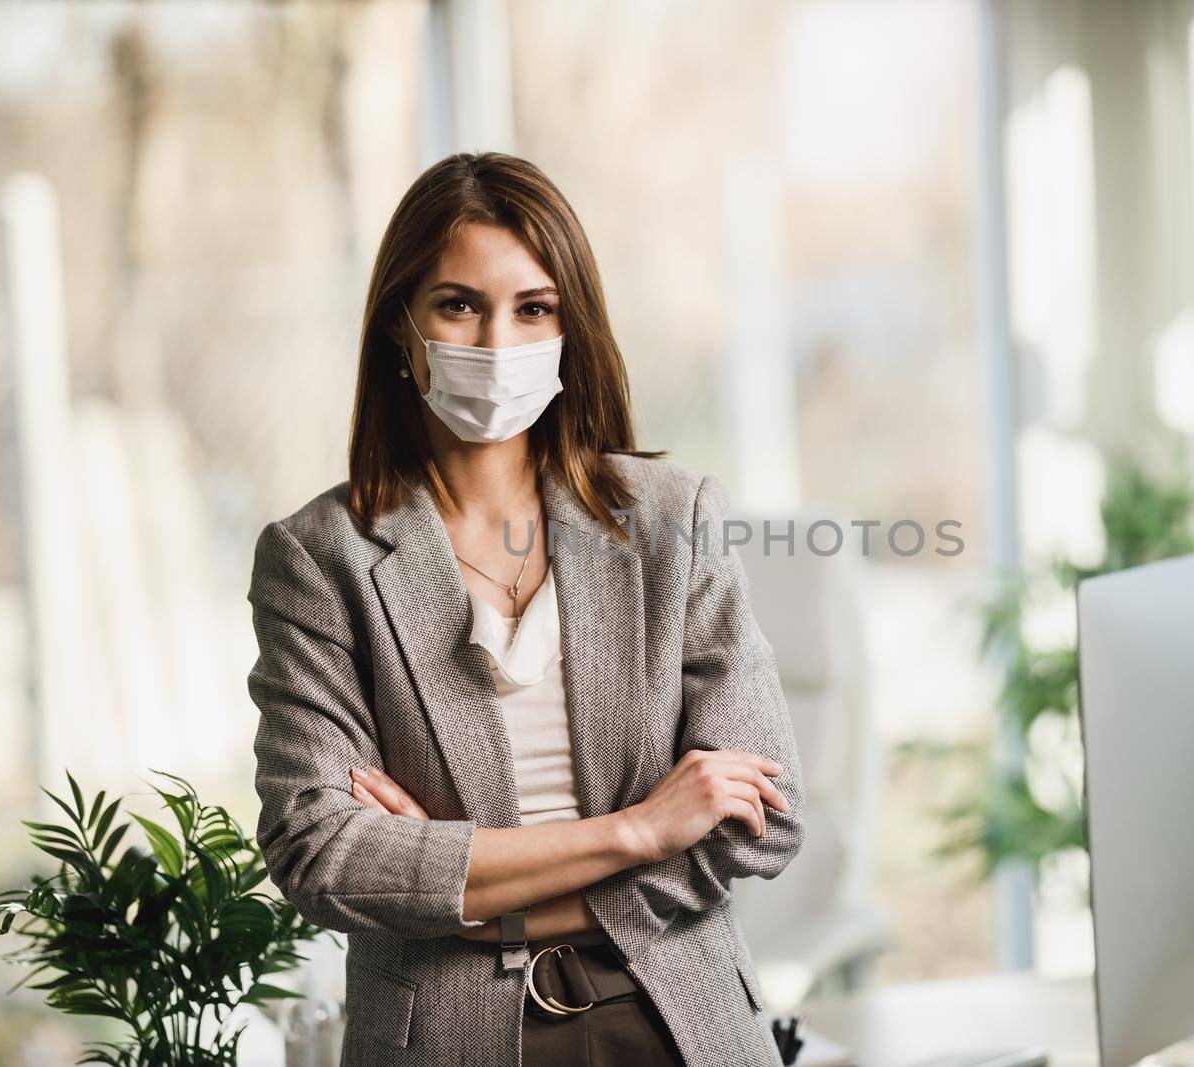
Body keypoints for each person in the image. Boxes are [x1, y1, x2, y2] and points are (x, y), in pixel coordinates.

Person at [245, 151, 804, 1067]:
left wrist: (465, 893)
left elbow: (765, 817)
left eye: (533, 308)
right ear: (401, 326)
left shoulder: (674, 520)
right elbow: (322, 853)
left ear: (569, 327)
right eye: (459, 304)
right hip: (447, 1041)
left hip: (677, 1022)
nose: (497, 345)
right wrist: (637, 829)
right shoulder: (319, 558)